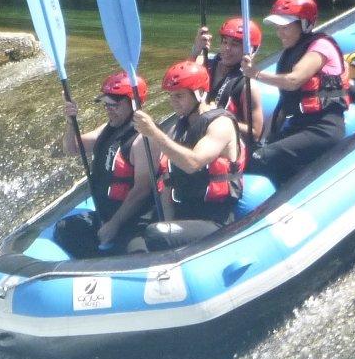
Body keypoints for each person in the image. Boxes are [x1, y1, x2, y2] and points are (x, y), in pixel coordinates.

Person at [243, 0, 348, 185]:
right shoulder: (291, 52)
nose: (279, 32)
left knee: (260, 159)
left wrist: (256, 74)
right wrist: (268, 138)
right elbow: (285, 103)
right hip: (299, 126)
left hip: (323, 128)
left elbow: (294, 80)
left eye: (285, 26)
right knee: (251, 155)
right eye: (278, 27)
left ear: (304, 24)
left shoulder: (321, 47)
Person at [133, 61, 245, 235]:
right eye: (171, 96)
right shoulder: (180, 127)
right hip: (184, 212)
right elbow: (167, 180)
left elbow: (193, 163)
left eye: (179, 96)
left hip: (215, 218)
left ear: (199, 93)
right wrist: (168, 221)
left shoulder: (221, 124)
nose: (173, 102)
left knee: (156, 233)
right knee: (144, 229)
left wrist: (154, 133)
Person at [53, 71, 158, 257]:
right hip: (105, 216)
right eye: (106, 105)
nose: (109, 110)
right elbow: (72, 148)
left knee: (137, 255)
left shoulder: (144, 138)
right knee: (64, 229)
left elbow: (142, 190)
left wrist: (114, 225)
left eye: (115, 105)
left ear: (134, 104)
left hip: (133, 223)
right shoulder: (108, 128)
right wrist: (70, 122)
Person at [190, 16, 266, 148]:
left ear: (251, 50)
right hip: (199, 133)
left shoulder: (248, 86)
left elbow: (255, 133)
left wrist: (215, 116)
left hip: (226, 144)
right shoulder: (204, 64)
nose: (227, 48)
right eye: (225, 42)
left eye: (235, 45)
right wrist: (195, 50)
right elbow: (182, 85)